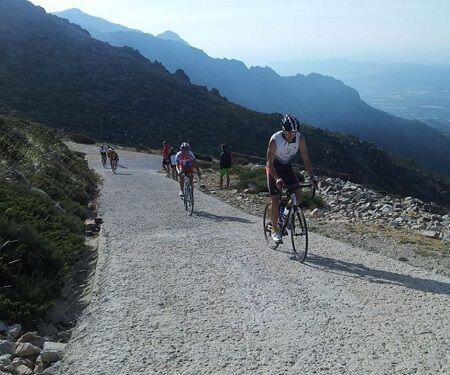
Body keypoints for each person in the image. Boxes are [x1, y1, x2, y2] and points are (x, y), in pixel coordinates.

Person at [266, 114, 317, 243]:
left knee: (298, 197)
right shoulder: (274, 140)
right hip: (273, 168)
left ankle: (283, 215)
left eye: (294, 132)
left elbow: (306, 158)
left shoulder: (300, 139)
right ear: (283, 129)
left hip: (286, 166)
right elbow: (269, 163)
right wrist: (277, 178)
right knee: (275, 199)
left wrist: (311, 177)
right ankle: (274, 229)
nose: (292, 135)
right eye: (289, 132)